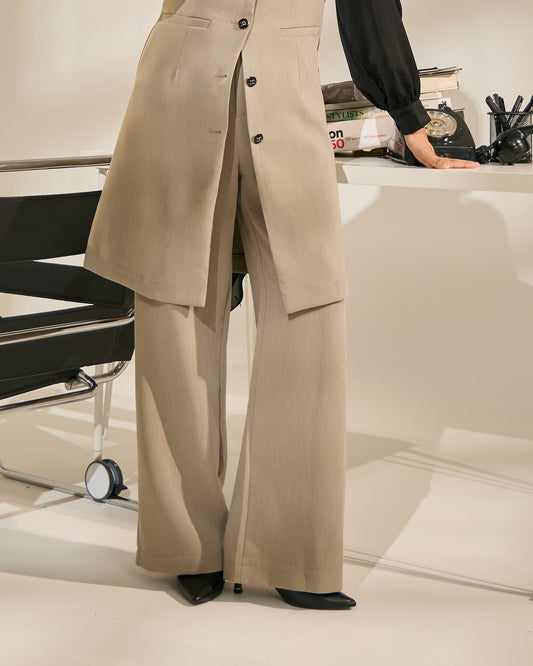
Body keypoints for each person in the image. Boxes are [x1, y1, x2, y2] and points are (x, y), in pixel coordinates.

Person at [83, 0, 479, 611]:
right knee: (175, 311)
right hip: (178, 90)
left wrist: (409, 117)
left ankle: (290, 551)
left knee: (310, 307)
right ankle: (187, 546)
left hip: (286, 95)